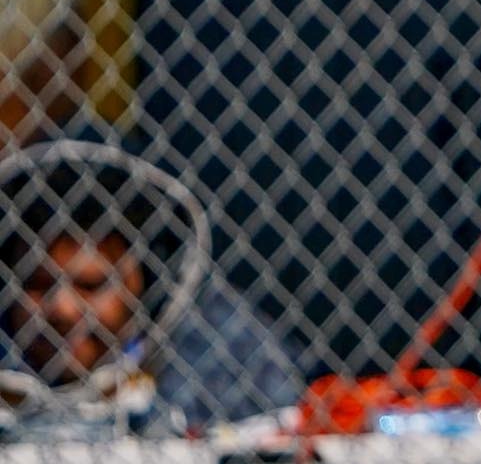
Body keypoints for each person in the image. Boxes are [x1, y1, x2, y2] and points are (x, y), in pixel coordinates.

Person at [0, 140, 303, 441]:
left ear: (143, 288)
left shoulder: (221, 367)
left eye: (91, 285)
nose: (62, 309)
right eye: (36, 284)